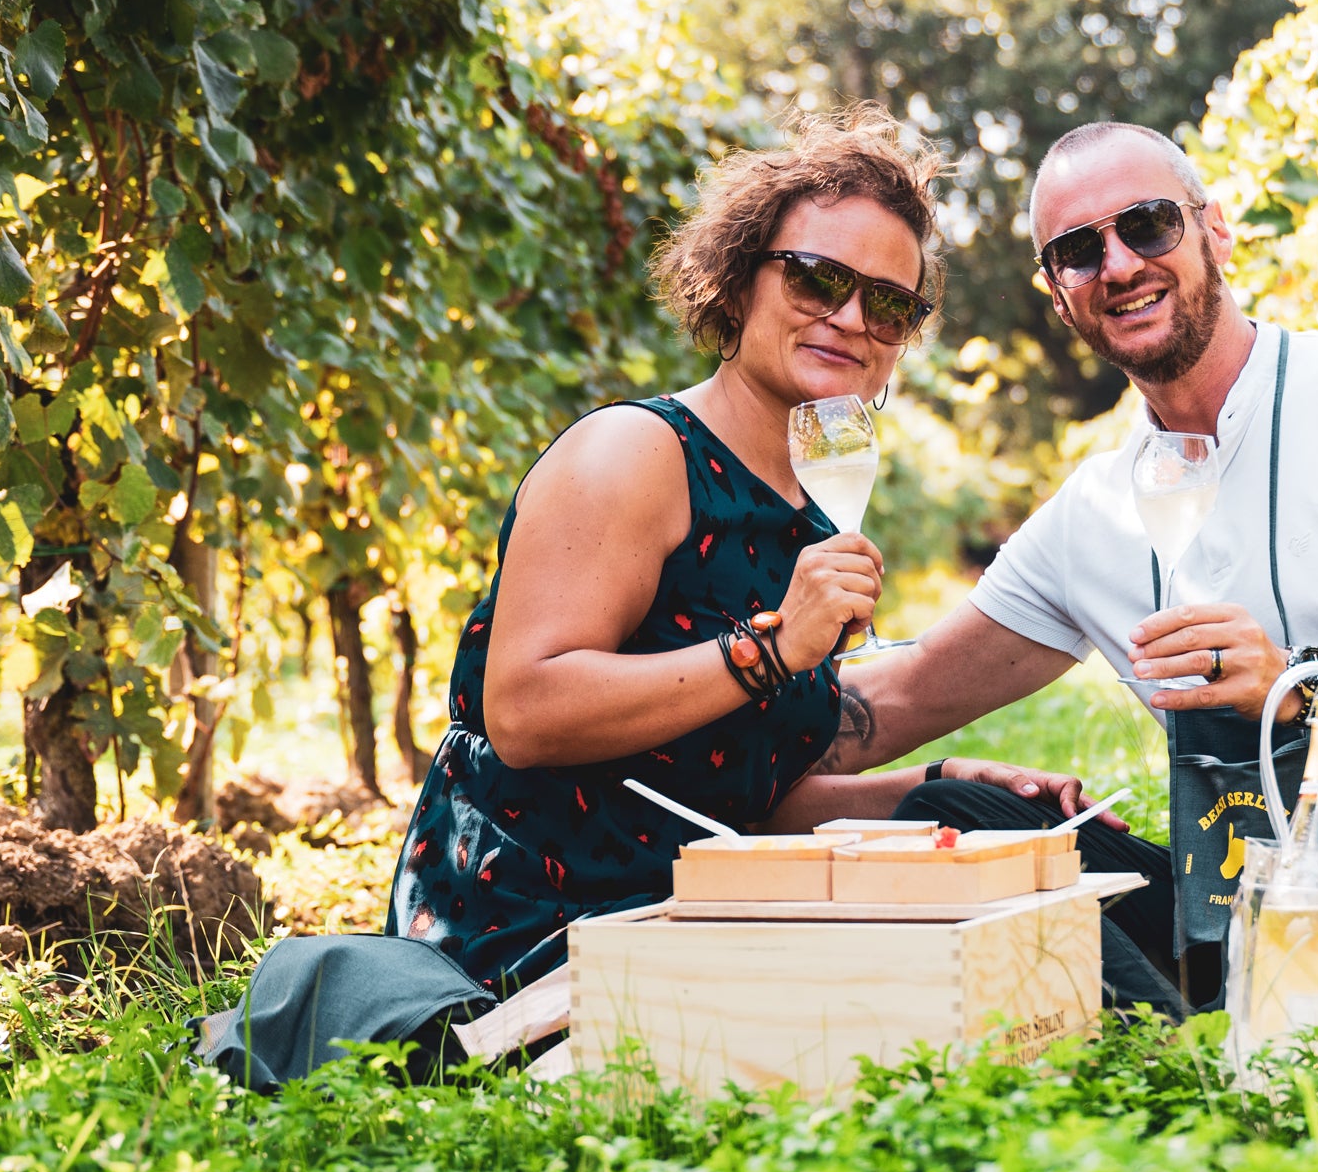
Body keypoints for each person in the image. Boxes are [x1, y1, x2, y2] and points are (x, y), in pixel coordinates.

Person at [202, 108, 1098, 1087]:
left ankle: (1219, 1002)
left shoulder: (811, 510)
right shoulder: (633, 455)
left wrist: (932, 788)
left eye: (889, 304)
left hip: (692, 895)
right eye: (817, 278)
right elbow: (525, 712)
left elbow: (727, 789)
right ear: (742, 274)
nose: (850, 318)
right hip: (543, 921)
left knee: (1016, 847)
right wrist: (765, 652)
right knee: (913, 1004)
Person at [833, 120, 1318, 1013]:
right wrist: (718, 697)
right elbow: (894, 703)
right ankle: (1208, 1026)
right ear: (1058, 294)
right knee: (969, 823)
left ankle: (1187, 1032)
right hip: (1254, 892)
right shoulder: (1092, 515)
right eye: (1079, 251)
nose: (1120, 264)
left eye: (1148, 225)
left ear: (1216, 232)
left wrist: (1296, 680)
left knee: (1279, 911)